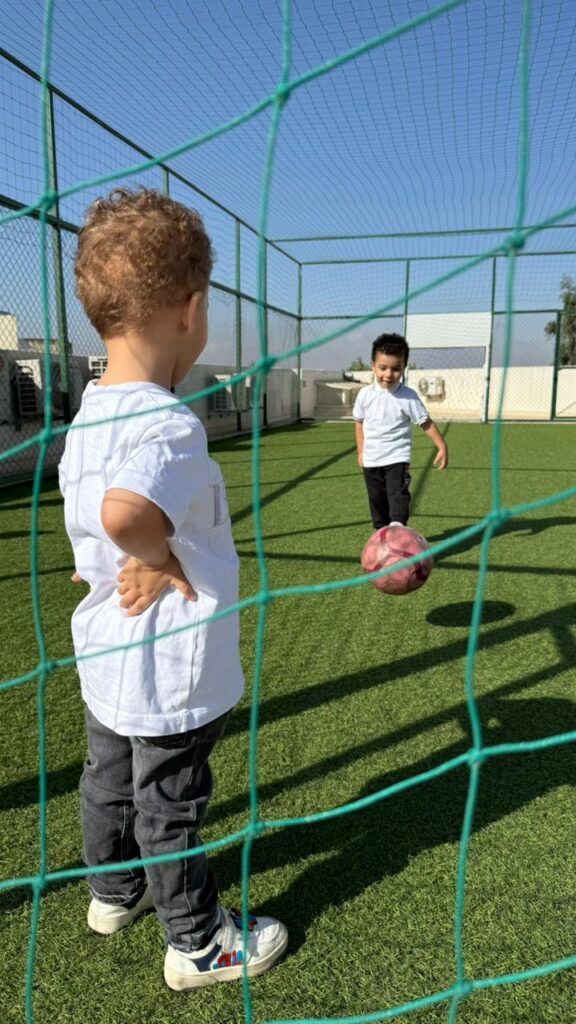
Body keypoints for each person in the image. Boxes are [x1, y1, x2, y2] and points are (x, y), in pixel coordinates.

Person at [58, 188, 288, 991]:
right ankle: (195, 942)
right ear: (191, 309)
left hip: (106, 658)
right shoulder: (169, 424)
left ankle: (112, 893)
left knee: (107, 780)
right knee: (170, 802)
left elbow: (92, 516)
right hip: (169, 667)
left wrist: (114, 553)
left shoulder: (87, 413)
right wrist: (157, 555)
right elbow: (123, 513)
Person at [353, 333, 448, 530]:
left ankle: (398, 529)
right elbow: (359, 423)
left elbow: (425, 422)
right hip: (371, 459)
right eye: (383, 368)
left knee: (397, 495)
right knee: (376, 498)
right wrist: (361, 451)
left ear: (403, 368)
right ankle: (382, 534)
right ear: (373, 366)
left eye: (396, 369)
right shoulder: (364, 395)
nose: (389, 374)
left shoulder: (408, 397)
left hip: (397, 457)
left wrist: (441, 446)